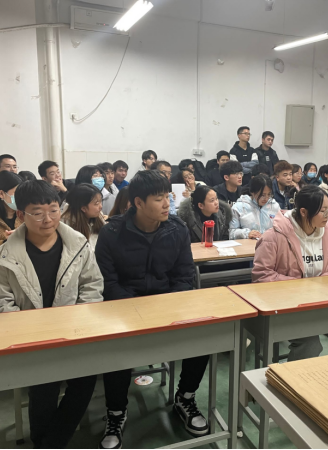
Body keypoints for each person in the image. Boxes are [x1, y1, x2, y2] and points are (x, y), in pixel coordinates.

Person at [0, 180, 104, 450]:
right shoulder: (4, 257)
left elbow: (92, 286)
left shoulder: (78, 246)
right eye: (37, 213)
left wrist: (77, 322)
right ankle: (46, 442)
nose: (48, 219)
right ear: (21, 215)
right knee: (43, 387)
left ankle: (49, 443)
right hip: (32, 340)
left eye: (53, 210)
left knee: (87, 378)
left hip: (74, 334)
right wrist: (34, 333)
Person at [95, 171, 209, 448]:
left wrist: (166, 308)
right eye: (158, 199)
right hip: (124, 308)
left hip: (167, 306)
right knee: (115, 346)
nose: (167, 203)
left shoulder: (177, 229)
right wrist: (135, 311)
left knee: (204, 335)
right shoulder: (112, 232)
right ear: (138, 202)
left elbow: (184, 276)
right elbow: (106, 282)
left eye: (167, 196)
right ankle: (116, 412)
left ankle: (185, 397)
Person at [252, 185, 328, 361]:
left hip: (321, 304)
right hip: (286, 307)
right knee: (310, 345)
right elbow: (262, 276)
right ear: (303, 212)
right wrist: (303, 287)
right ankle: (295, 378)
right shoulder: (273, 237)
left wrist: (314, 287)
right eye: (323, 211)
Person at [230, 175, 281, 240]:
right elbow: (232, 233)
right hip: (248, 244)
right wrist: (247, 234)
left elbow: (281, 228)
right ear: (252, 192)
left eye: (269, 194)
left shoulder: (274, 206)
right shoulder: (239, 207)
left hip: (270, 243)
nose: (266, 198)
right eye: (262, 195)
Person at [62, 184, 105, 251]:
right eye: (96, 203)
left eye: (100, 201)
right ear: (83, 208)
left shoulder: (98, 215)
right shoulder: (67, 225)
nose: (101, 206)